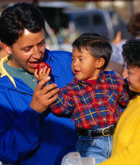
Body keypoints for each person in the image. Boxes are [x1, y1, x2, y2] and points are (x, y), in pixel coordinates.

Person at [0, 3, 76, 165]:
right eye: (27, 49)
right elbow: (1, 150)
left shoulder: (68, 62)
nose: (37, 54)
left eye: (41, 44)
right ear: (7, 47)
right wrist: (33, 112)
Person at [35, 33, 129, 164]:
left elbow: (128, 101)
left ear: (99, 62)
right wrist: (46, 82)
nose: (74, 64)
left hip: (117, 138)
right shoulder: (71, 89)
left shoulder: (114, 81)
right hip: (90, 145)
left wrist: (132, 80)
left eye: (80, 59)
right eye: (73, 59)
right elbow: (61, 107)